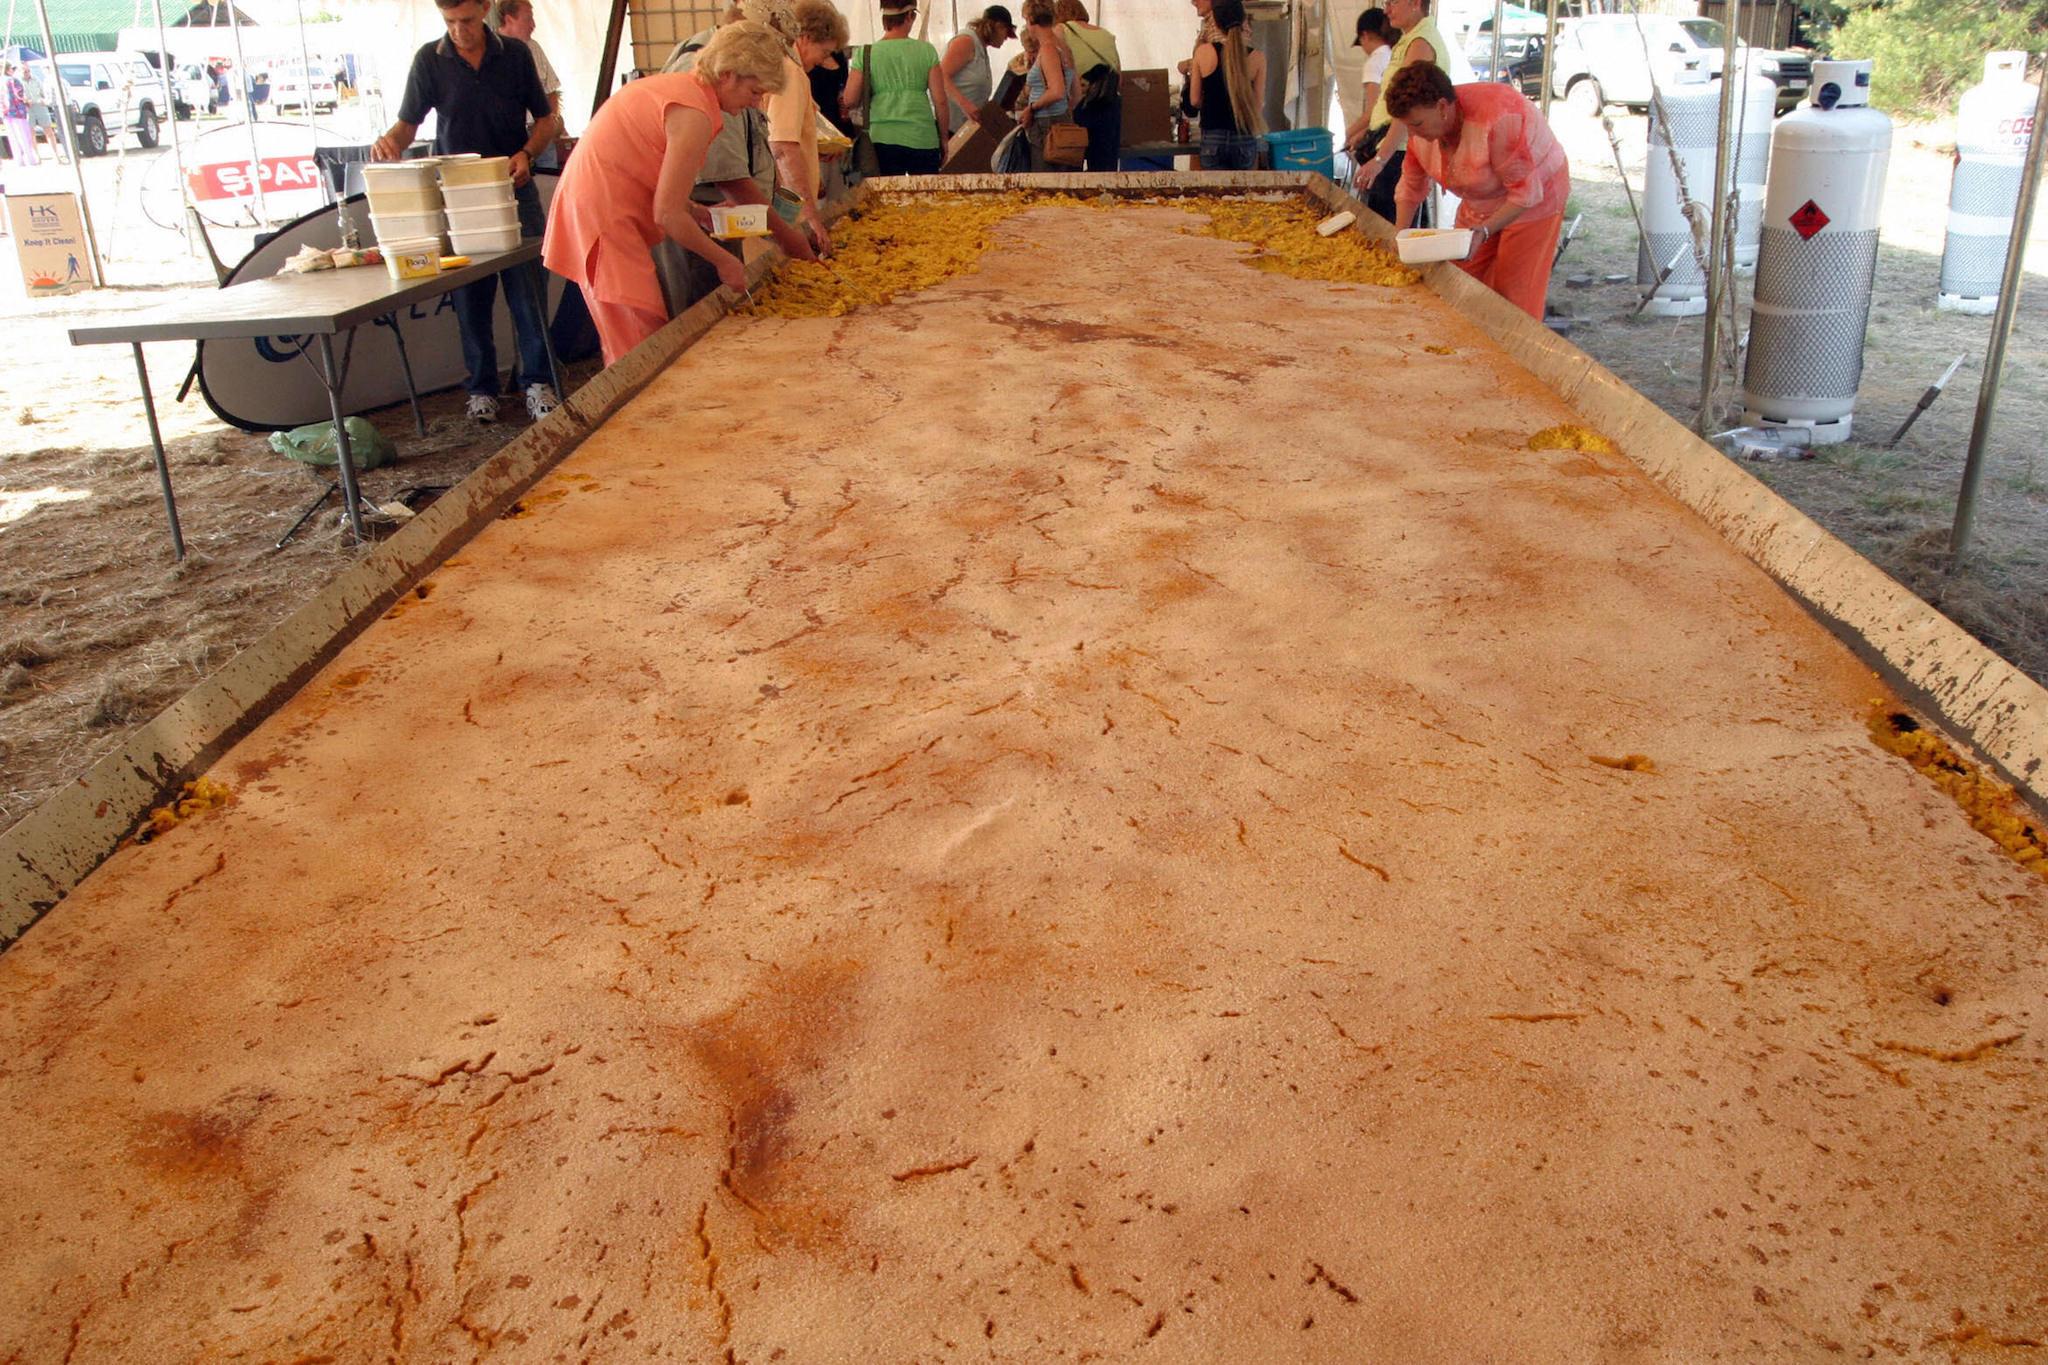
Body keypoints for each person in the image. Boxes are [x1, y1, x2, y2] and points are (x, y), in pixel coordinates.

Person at [544, 23, 788, 364]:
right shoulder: (694, 113)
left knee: (640, 330)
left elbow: (643, 172)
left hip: (599, 211)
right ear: (729, 75)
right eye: (754, 91)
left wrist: (696, 210)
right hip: (603, 220)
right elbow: (666, 215)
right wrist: (725, 261)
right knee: (638, 343)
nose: (755, 103)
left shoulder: (684, 91)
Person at [374, 0, 562, 424]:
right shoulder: (430, 59)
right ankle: (480, 388)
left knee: (528, 293)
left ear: (485, 10)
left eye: (467, 21)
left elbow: (546, 119)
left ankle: (537, 382)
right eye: (450, 22)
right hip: (458, 198)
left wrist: (526, 154)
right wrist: (389, 142)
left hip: (514, 188)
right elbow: (408, 124)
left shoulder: (514, 54)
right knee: (469, 297)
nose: (459, 31)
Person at [657, 0, 819, 311]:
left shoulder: (719, 64)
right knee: (702, 312)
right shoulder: (713, 73)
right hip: (695, 215)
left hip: (707, 211)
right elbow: (728, 174)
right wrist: (786, 234)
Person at [1385, 60, 1568, 320]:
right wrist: (1400, 237)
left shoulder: (1499, 118)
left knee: (1514, 291)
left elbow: (1525, 193)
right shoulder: (1421, 133)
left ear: (1441, 107)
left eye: (1417, 124)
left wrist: (1483, 231)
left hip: (1534, 199)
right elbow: (1411, 185)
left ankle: (1514, 352)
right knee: (1460, 278)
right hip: (1480, 200)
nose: (1411, 133)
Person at [1354, 0, 1446, 222]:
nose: (1386, 10)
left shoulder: (1421, 43)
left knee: (1389, 228)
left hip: (1401, 152)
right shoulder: (1408, 39)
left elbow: (1406, 110)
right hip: (1393, 149)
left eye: (1392, 2)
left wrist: (1379, 160)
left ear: (1415, 3)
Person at [768, 0, 848, 254]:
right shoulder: (792, 74)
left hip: (785, 201)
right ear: (805, 37)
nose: (824, 60)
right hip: (788, 208)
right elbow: (782, 146)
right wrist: (812, 217)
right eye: (824, 52)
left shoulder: (785, 68)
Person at [842, 1, 945, 175]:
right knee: (924, 199)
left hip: (881, 139)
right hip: (922, 137)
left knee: (886, 199)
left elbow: (849, 99)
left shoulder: (865, 53)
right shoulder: (927, 51)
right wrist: (944, 138)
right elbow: (940, 101)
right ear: (909, 16)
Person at [1186, 0, 1264, 170]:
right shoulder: (1258, 58)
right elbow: (1257, 107)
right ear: (1243, 20)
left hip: (1213, 137)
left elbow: (1194, 101)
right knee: (1245, 195)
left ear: (1216, 22)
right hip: (1244, 137)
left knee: (1214, 196)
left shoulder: (1203, 52)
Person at [494, 0, 564, 169]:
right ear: (509, 19)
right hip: (509, 137)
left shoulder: (534, 48)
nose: (533, 25)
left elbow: (552, 90)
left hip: (540, 134)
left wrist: (552, 121)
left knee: (548, 182)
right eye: (528, 19)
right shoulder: (490, 51)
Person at [1054, 0, 1119, 172]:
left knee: (1070, 166)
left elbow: (1059, 70)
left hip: (1078, 104)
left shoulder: (1061, 31)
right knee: (1104, 172)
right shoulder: (1106, 34)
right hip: (1109, 105)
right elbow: (1120, 79)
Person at [1015, 0, 1075, 172]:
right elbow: (1075, 94)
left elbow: (1056, 91)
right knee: (1062, 180)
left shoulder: (1048, 50)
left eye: (1026, 20)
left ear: (1031, 19)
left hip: (1045, 124)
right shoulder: (1064, 48)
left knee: (1044, 183)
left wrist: (1032, 108)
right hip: (1063, 120)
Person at [939, 6, 1013, 142]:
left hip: (963, 127)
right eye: (1006, 34)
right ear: (999, 27)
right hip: (948, 126)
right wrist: (965, 104)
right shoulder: (966, 41)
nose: (1005, 39)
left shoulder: (981, 48)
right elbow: (941, 76)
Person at [1340, 8, 1397, 163]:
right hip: (1398, 139)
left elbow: (1373, 111)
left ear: (1364, 35)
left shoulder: (1374, 62)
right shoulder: (1396, 54)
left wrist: (1348, 133)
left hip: (1382, 144)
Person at [23, 64, 61, 163]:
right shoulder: (18, 82)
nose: (27, 73)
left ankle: (55, 155)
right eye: (24, 71)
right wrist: (25, 101)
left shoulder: (36, 79)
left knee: (48, 130)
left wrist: (44, 100)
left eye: (28, 71)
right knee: (31, 133)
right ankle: (37, 156)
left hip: (40, 105)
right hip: (28, 108)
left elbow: (44, 92)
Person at [2, 63, 36, 168]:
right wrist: (26, 101)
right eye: (12, 69)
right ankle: (29, 159)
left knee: (12, 137)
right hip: (17, 111)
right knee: (23, 136)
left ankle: (19, 161)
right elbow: (19, 95)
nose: (13, 70)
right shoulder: (12, 81)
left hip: (5, 112)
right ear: (8, 70)